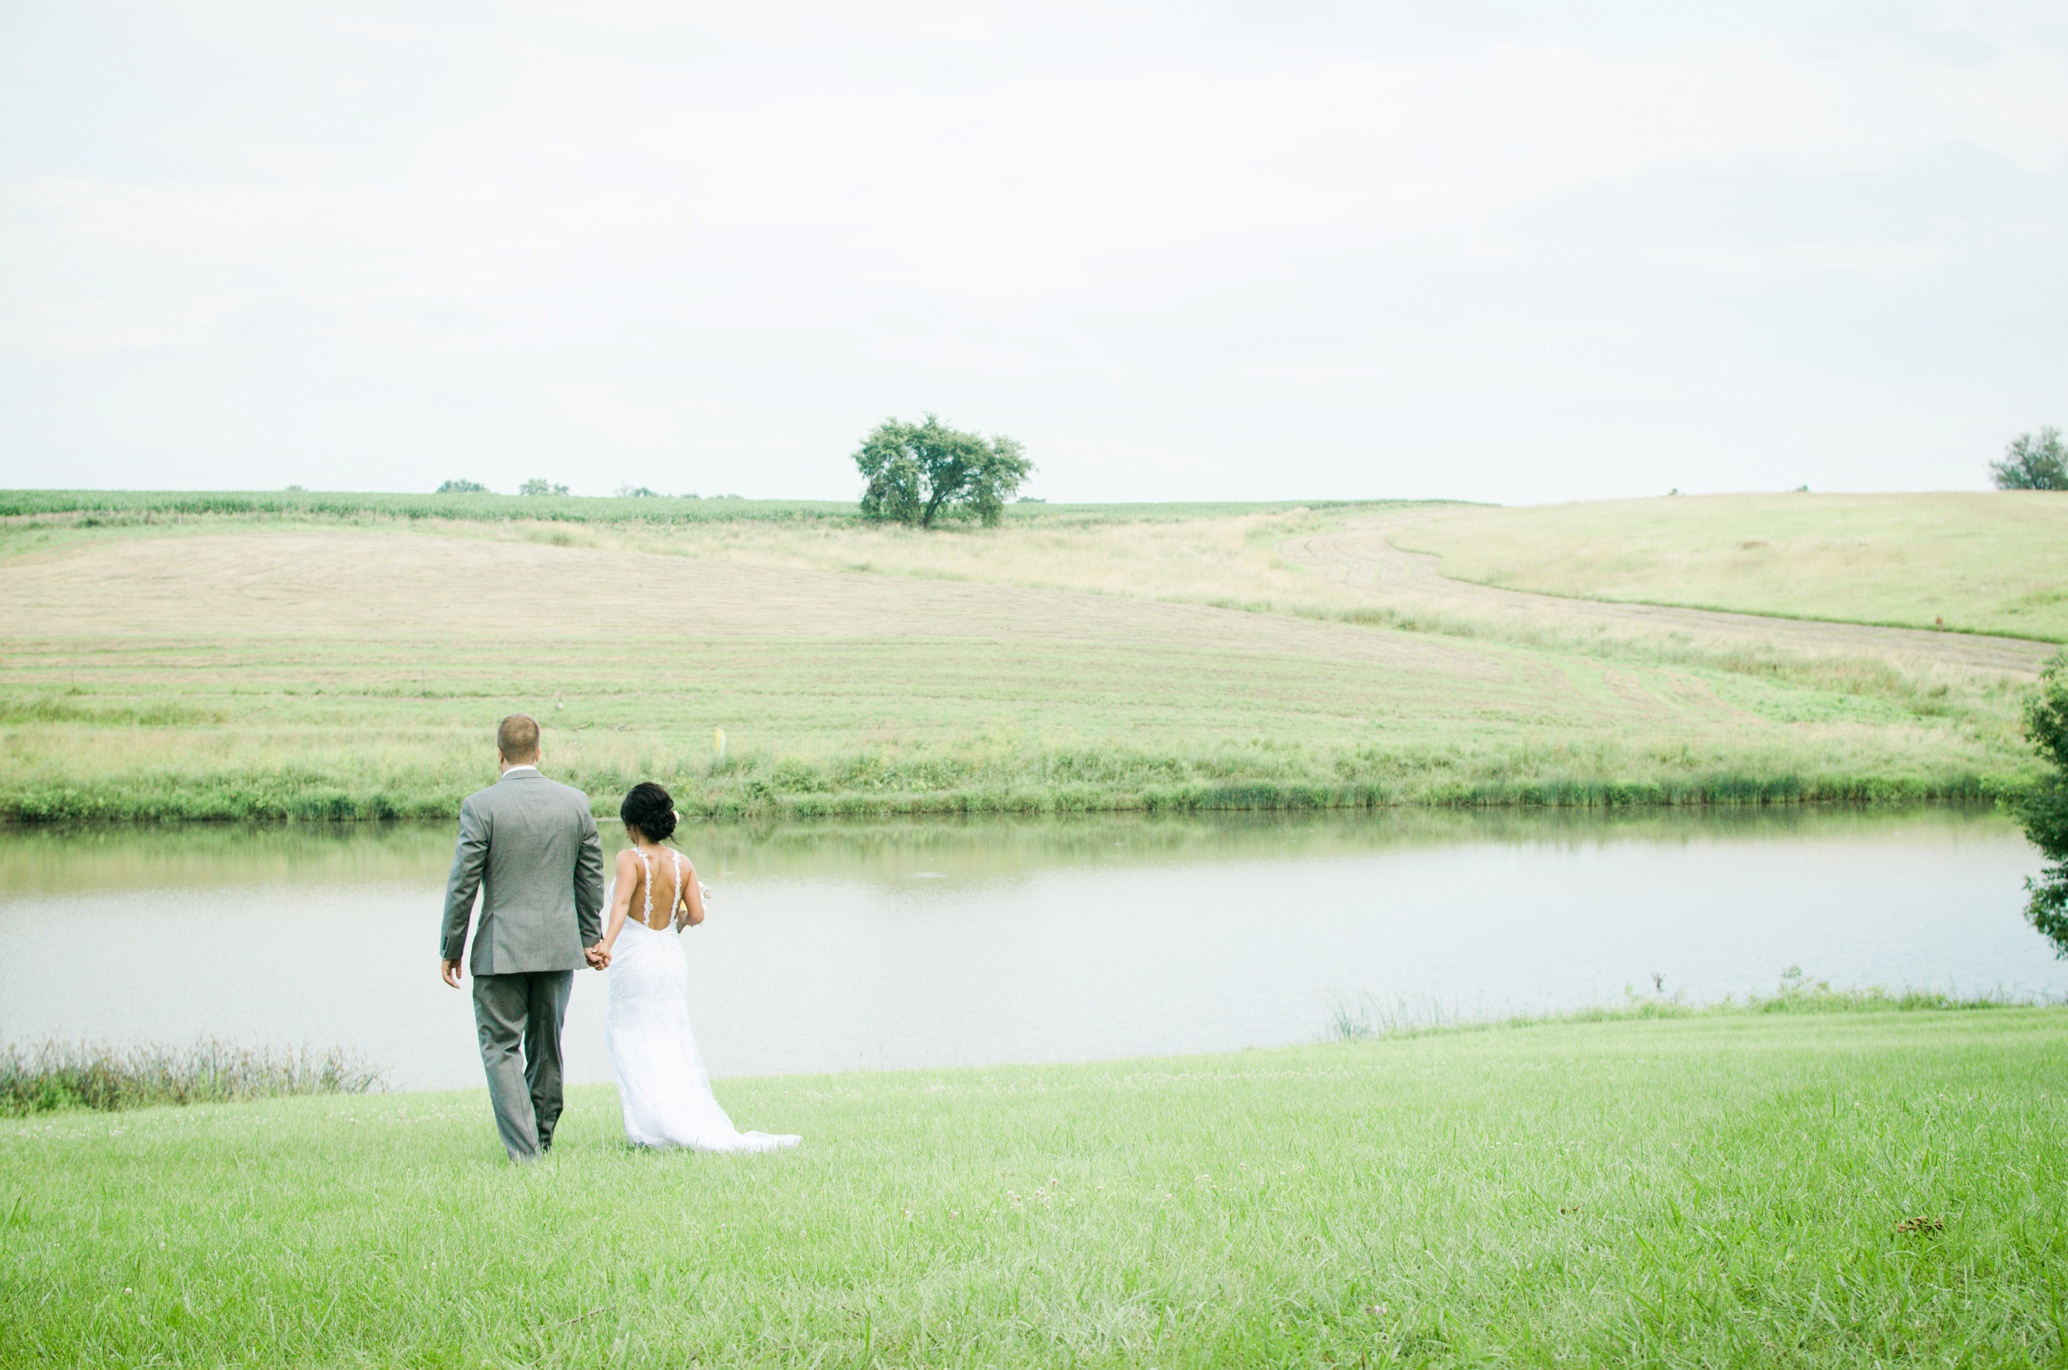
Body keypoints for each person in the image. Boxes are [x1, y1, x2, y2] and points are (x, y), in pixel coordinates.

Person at [439, 714, 607, 1162]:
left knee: (500, 1048)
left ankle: (525, 1152)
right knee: (546, 1046)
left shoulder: (481, 806)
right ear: (539, 751)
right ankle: (543, 1138)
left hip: (501, 949)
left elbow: (463, 885)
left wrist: (451, 948)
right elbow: (591, 878)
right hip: (558, 946)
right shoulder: (575, 803)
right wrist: (590, 936)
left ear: (498, 756)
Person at [600, 781, 800, 1152]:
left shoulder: (629, 859)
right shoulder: (684, 864)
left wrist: (605, 945)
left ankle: (648, 1127)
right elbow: (698, 914)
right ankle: (673, 1117)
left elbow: (621, 903)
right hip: (669, 958)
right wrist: (676, 925)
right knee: (670, 1035)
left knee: (631, 1037)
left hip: (635, 957)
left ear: (634, 825)